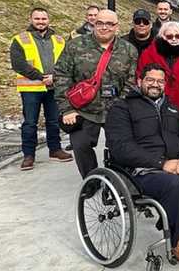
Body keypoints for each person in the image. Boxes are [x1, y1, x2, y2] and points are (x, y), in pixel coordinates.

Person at [105, 63, 179, 263]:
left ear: (165, 84)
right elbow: (121, 147)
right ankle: (175, 244)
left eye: (160, 81)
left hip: (175, 165)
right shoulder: (122, 108)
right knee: (174, 184)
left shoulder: (173, 107)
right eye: (150, 80)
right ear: (140, 81)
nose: (155, 84)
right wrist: (161, 163)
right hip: (141, 172)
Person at [56, 9, 138, 179]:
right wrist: (67, 109)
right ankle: (91, 179)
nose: (104, 27)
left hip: (116, 109)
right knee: (80, 145)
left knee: (119, 146)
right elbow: (61, 75)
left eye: (110, 24)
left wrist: (121, 107)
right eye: (100, 23)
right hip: (84, 109)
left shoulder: (129, 50)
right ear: (93, 24)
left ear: (117, 27)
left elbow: (132, 81)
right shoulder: (75, 46)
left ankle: (117, 180)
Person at [10, 7, 72, 170]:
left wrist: (54, 77)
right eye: (37, 18)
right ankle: (29, 155)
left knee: (53, 121)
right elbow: (18, 64)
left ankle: (55, 150)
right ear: (31, 19)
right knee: (30, 123)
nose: (40, 22)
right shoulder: (20, 39)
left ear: (48, 20)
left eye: (43, 19)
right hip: (31, 89)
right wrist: (40, 76)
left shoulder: (59, 40)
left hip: (54, 87)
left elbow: (66, 62)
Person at [137, 21, 179, 114]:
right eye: (169, 36)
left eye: (178, 36)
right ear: (162, 36)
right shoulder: (149, 53)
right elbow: (140, 75)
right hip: (154, 102)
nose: (174, 39)